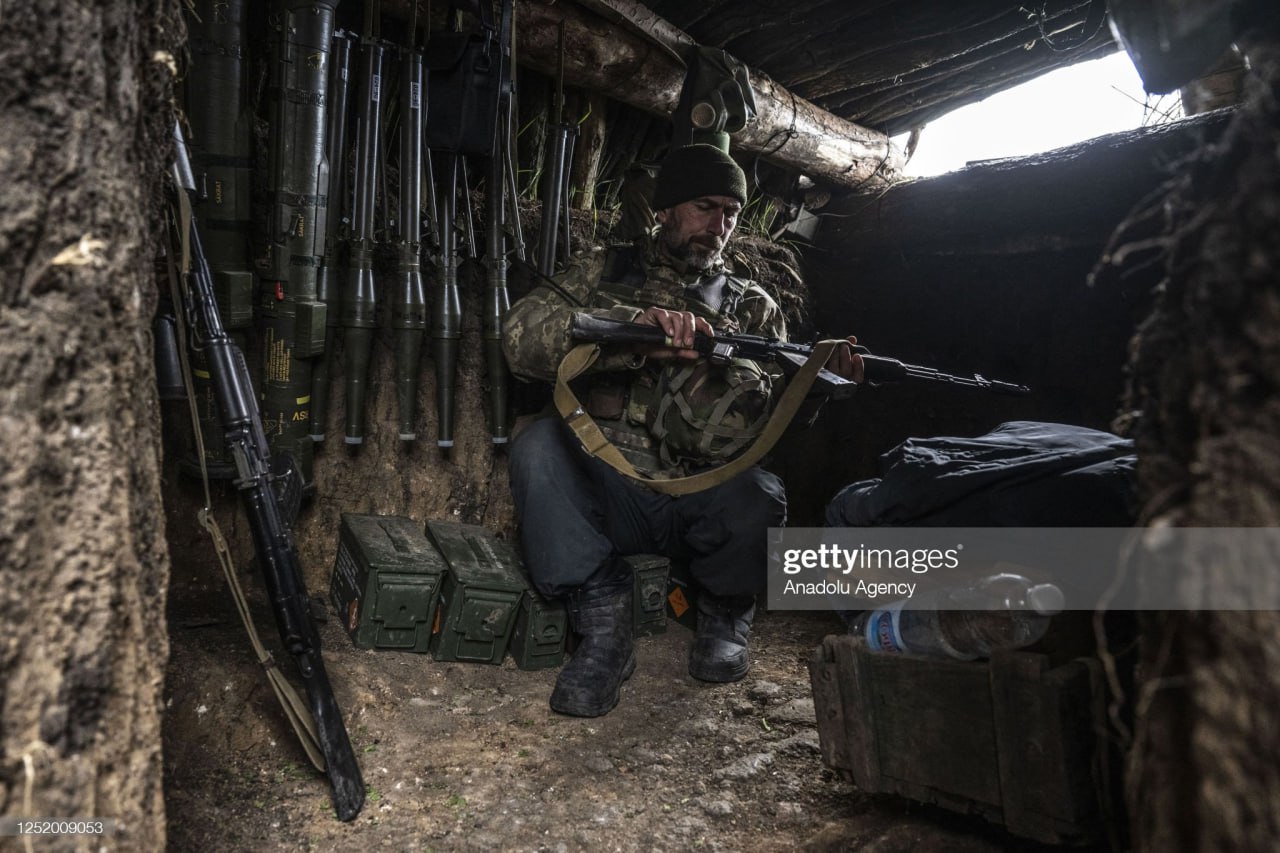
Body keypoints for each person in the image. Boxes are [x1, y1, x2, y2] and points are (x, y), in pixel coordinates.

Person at [503, 143, 863, 717]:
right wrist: (629, 332)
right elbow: (519, 343)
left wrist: (818, 386)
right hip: (609, 492)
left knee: (760, 493)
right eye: (704, 206)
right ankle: (601, 623)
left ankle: (723, 609)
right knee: (540, 445)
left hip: (697, 496)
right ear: (667, 208)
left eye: (731, 213)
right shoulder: (604, 270)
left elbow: (773, 431)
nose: (718, 225)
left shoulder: (754, 308)